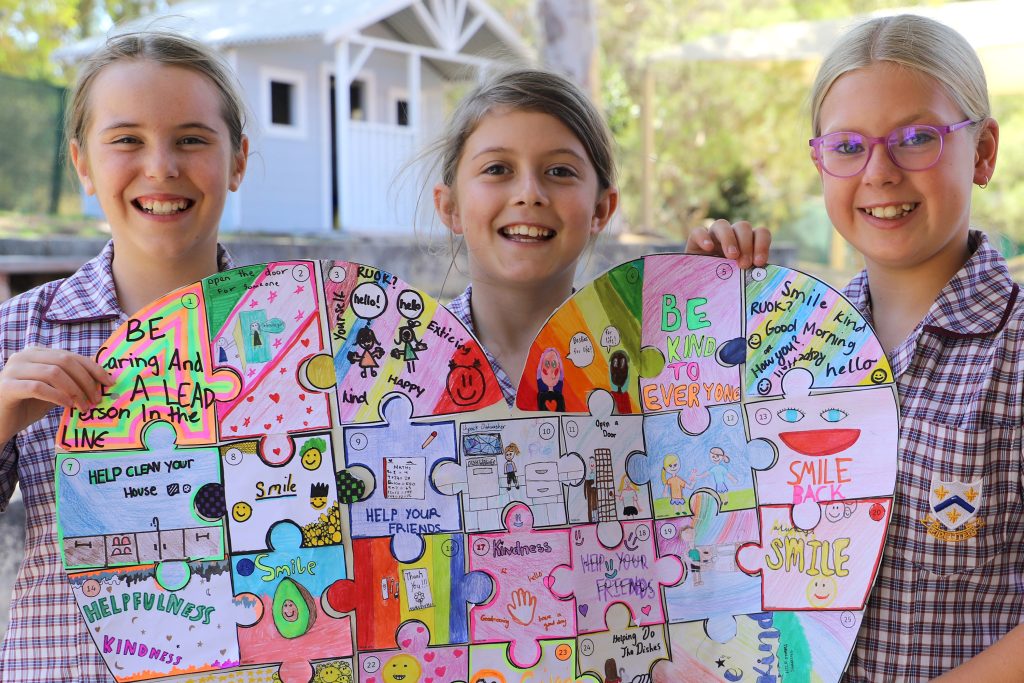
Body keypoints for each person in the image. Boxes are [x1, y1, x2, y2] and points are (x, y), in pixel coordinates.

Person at [687, 14, 1024, 681]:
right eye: (848, 147)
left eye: (918, 138)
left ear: (983, 151)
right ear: (820, 160)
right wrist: (696, 320)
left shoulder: (1014, 352)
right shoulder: (782, 341)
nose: (880, 171)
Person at [0, 30, 249, 681]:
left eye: (193, 138)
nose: (161, 165)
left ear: (238, 160)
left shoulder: (295, 331)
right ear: (82, 163)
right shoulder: (20, 328)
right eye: (127, 139)